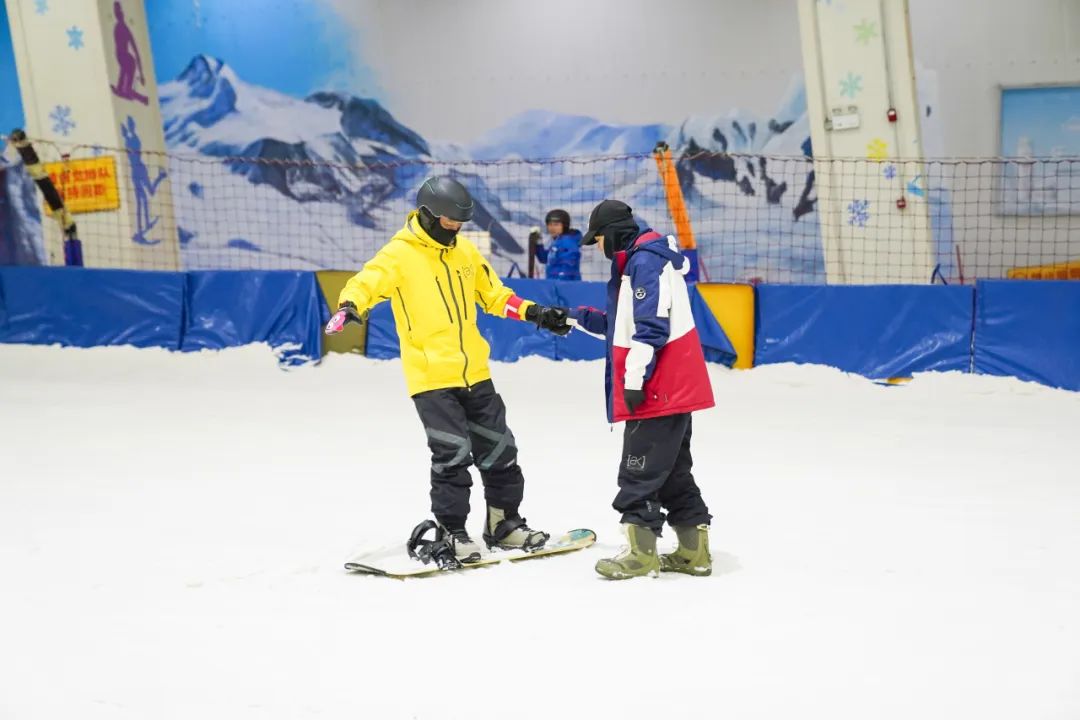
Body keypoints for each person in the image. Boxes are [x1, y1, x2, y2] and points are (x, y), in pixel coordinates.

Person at [326, 177, 572, 563]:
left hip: (475, 371)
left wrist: (535, 312)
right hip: (431, 377)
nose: (454, 229)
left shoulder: (465, 253)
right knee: (452, 456)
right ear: (426, 215)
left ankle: (503, 525)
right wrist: (350, 305)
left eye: (460, 223)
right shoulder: (399, 254)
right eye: (448, 222)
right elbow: (367, 281)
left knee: (501, 450)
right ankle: (452, 531)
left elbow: (494, 296)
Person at [570, 200, 716, 579]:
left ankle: (641, 554)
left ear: (613, 233)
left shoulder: (644, 263)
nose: (598, 247)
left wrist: (634, 380)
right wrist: (575, 318)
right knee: (672, 472)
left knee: (638, 471)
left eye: (598, 238)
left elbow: (650, 329)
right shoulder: (649, 260)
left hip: (656, 390)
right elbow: (628, 323)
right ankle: (692, 553)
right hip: (673, 389)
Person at [534, 209, 582, 281]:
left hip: (565, 287)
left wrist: (560, 282)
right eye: (549, 224)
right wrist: (538, 243)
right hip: (555, 285)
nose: (552, 228)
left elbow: (568, 267)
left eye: (556, 225)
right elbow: (545, 258)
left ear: (565, 226)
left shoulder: (568, 242)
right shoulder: (558, 242)